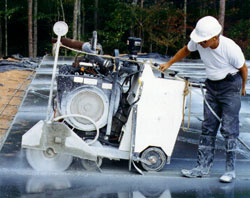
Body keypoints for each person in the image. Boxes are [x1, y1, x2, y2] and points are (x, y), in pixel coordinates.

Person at [160, 16, 248, 183]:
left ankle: (230, 171)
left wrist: (242, 87)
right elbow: (186, 50)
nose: (200, 44)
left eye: (204, 41)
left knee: (229, 128)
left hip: (230, 86)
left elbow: (243, 68)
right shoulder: (199, 42)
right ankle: (202, 167)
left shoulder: (230, 48)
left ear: (215, 38)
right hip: (212, 86)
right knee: (208, 127)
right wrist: (169, 63)